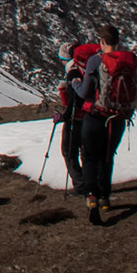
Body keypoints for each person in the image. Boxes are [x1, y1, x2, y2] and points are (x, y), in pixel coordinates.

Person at [69, 24, 137, 225]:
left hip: (95, 115)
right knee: (107, 156)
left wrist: (74, 81)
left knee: (90, 156)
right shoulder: (129, 61)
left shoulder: (96, 61)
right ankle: (105, 197)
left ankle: (91, 196)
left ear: (101, 41)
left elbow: (84, 92)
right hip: (118, 118)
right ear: (118, 41)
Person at [56, 39, 99, 194]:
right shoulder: (90, 65)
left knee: (69, 150)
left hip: (77, 117)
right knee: (87, 150)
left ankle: (81, 184)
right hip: (94, 114)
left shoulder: (73, 70)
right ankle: (95, 182)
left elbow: (75, 97)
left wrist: (64, 116)